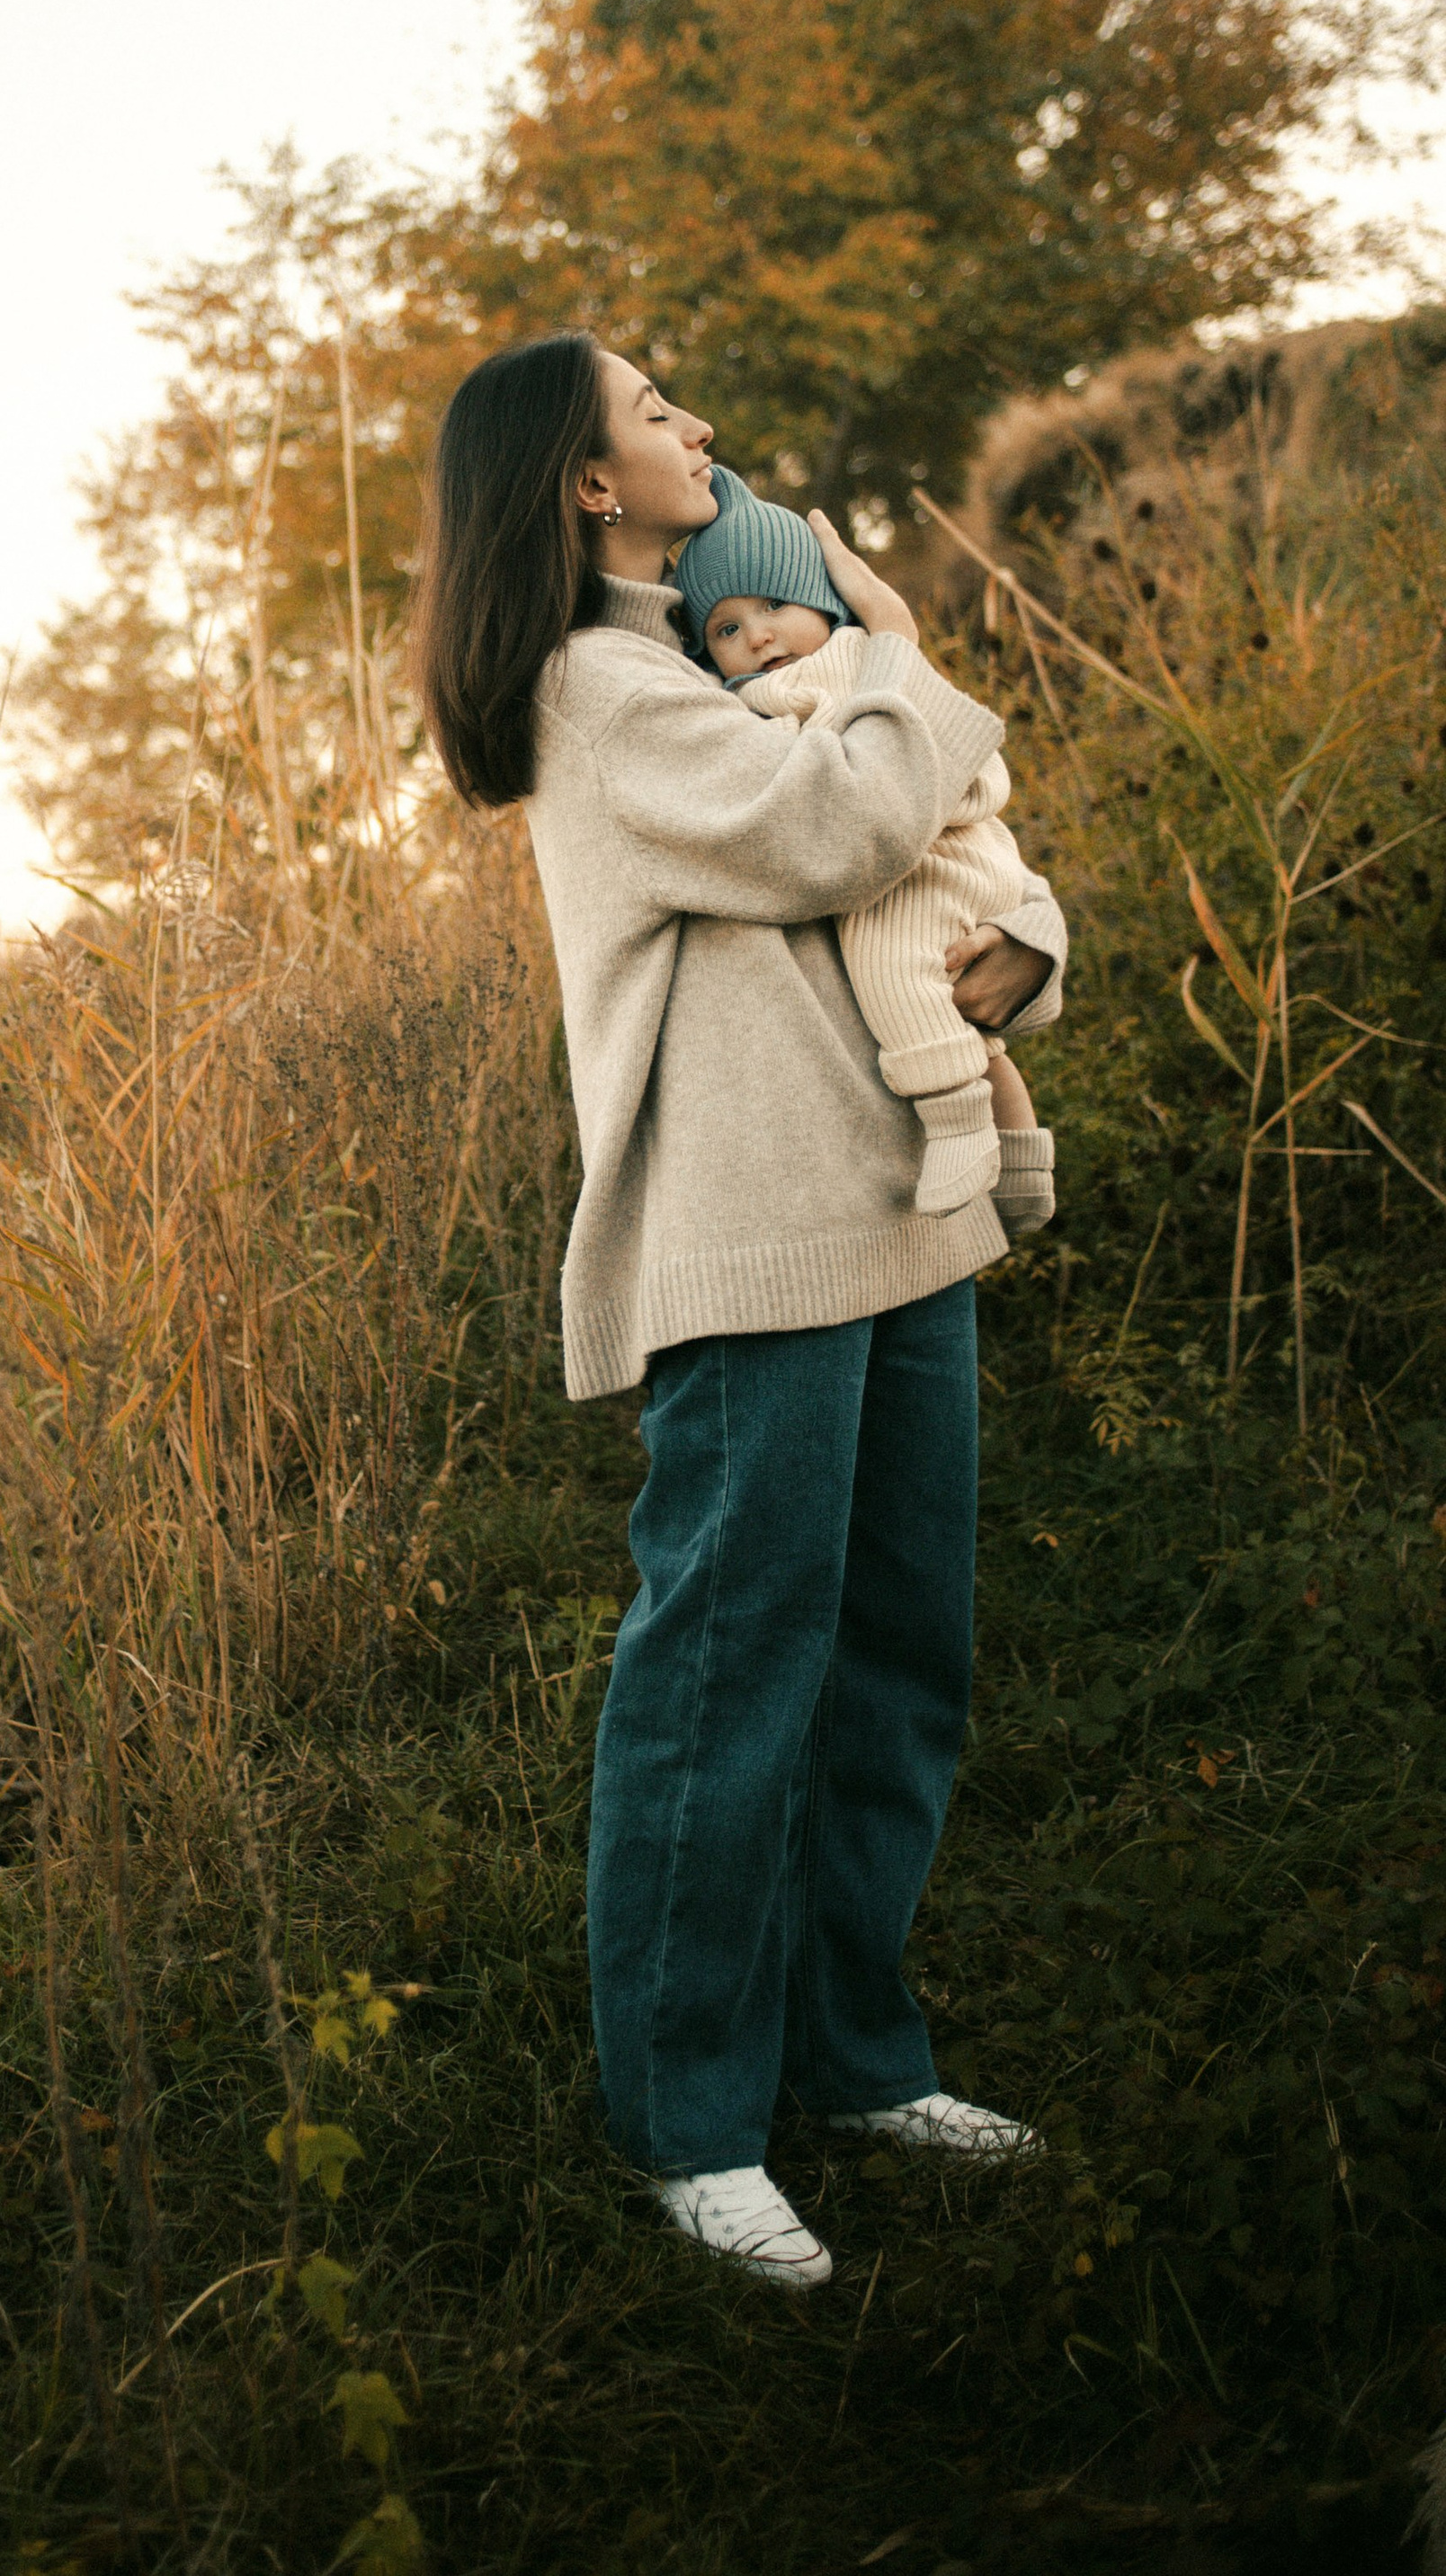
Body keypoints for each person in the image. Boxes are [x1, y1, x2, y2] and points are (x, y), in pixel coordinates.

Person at [412, 331, 1066, 2291]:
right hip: (747, 1241)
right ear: (583, 483)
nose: (695, 427)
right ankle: (690, 2127)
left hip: (897, 1214)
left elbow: (932, 870)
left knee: (893, 1661)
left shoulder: (712, 655)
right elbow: (839, 830)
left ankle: (860, 2063)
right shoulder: (595, 691)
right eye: (653, 411)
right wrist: (890, 637)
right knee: (725, 1682)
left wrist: (1010, 963)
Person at [671, 465, 1058, 1230]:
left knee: (891, 960)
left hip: (935, 856)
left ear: (823, 601)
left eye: (775, 605)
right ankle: (1021, 1169)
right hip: (930, 853)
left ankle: (955, 1123)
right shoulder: (748, 695)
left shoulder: (845, 664)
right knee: (976, 1035)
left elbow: (876, 789)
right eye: (725, 629)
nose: (757, 636)